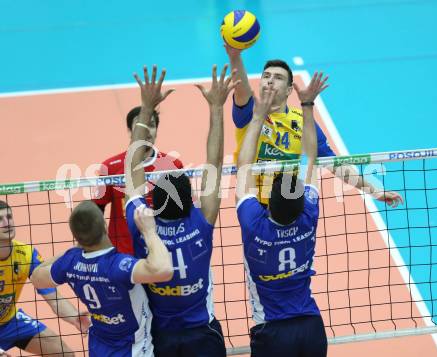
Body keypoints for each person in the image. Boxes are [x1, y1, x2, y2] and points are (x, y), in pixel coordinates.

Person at [125, 64, 239, 357]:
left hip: (163, 337)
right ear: (190, 199)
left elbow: (133, 169)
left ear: (155, 202)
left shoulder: (142, 227)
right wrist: (216, 108)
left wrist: (147, 108)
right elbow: (214, 163)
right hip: (203, 333)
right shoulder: (201, 222)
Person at [225, 44, 403, 207]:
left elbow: (334, 163)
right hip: (253, 205)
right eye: (266, 76)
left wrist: (374, 190)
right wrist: (235, 56)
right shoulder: (249, 114)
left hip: (290, 207)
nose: (270, 81)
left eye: (278, 77)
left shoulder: (301, 121)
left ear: (289, 90)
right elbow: (241, 89)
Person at [235, 79, 327, 356]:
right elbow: (310, 156)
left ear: (268, 205)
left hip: (272, 331)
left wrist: (258, 118)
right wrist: (308, 105)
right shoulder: (308, 215)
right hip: (311, 327)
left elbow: (245, 165)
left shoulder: (254, 224)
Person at [30, 199, 173, 356]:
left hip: (99, 348)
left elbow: (36, 277)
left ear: (76, 237)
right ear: (105, 226)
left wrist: (71, 253)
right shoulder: (117, 265)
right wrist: (149, 231)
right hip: (133, 350)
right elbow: (163, 270)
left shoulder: (70, 263)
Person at [0, 200, 88, 356]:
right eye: (0, 220)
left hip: (11, 322)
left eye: (9, 217)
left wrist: (75, 317)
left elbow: (53, 298)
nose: (7, 223)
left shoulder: (26, 254)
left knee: (65, 354)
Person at [93, 105, 184, 255]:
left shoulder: (173, 165)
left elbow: (183, 212)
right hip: (122, 257)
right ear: (130, 131)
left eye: (152, 125)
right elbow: (96, 211)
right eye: (141, 125)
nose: (147, 130)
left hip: (163, 254)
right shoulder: (110, 167)